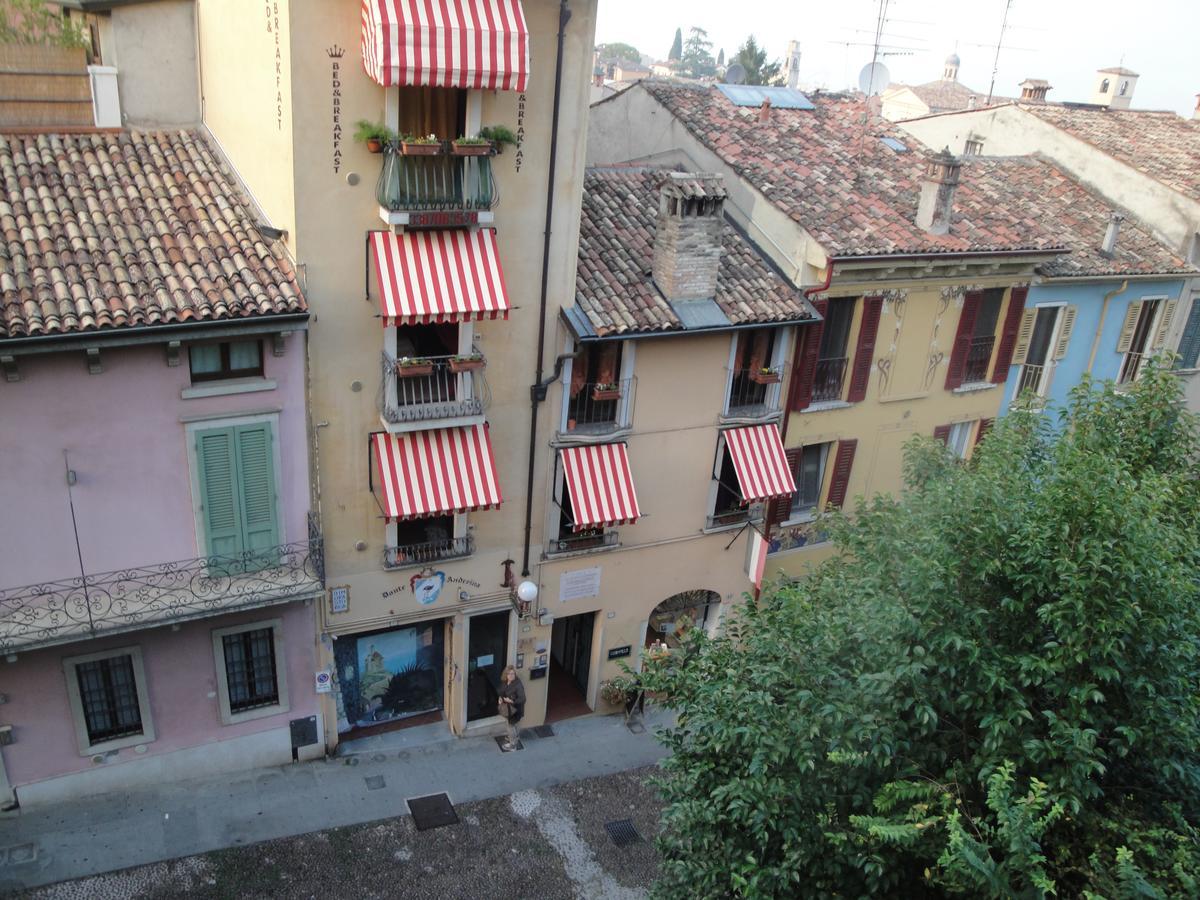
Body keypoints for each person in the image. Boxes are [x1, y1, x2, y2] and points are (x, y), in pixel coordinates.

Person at [497, 665, 525, 751]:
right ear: (506, 674)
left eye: (513, 674)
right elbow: (502, 691)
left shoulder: (518, 685)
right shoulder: (505, 681)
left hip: (515, 710)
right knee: (513, 725)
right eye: (509, 674)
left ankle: (513, 744)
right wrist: (501, 698)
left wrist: (512, 701)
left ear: (515, 674)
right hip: (508, 708)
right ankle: (515, 737)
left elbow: (523, 698)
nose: (511, 675)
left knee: (510, 726)